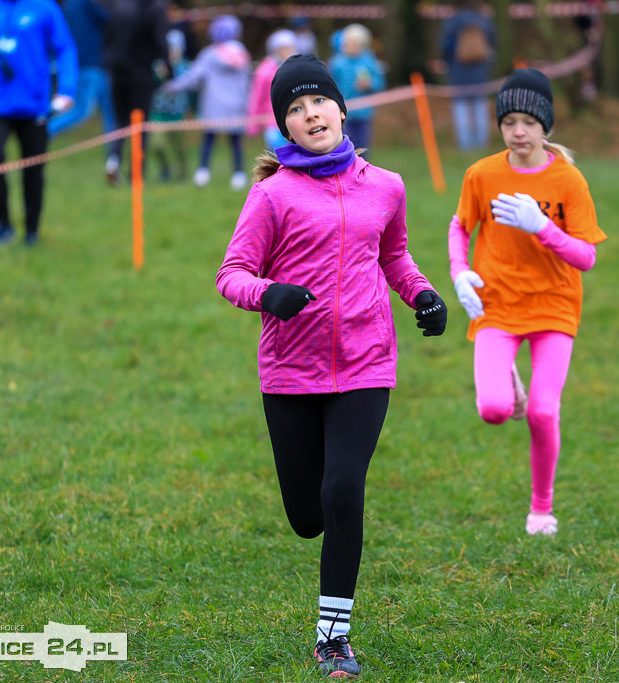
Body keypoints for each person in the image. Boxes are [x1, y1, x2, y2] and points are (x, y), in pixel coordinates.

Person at [215, 54, 447, 678]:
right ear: (284, 127)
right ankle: (316, 524)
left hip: (368, 363)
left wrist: (422, 294)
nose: (310, 112)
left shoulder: (387, 186)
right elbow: (231, 274)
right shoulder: (270, 196)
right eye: (294, 107)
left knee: (344, 489)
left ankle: (333, 638)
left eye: (318, 101)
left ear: (342, 109)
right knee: (307, 515)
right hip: (291, 370)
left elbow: (394, 256)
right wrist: (269, 293)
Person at [447, 68, 607, 536]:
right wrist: (460, 273)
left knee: (542, 411)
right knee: (494, 410)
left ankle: (542, 508)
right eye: (509, 121)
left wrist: (542, 227)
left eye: (529, 123)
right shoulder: (482, 173)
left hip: (554, 306)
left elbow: (586, 257)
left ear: (546, 126)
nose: (518, 132)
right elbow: (460, 226)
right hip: (495, 303)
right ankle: (509, 379)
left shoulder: (568, 181)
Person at [0, 0, 78, 247]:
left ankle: (31, 231)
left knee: (33, 168)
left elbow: (65, 48)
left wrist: (66, 90)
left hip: (33, 104)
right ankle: (3, 226)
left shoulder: (45, 8)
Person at [164, 14, 251, 191]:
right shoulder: (243, 54)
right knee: (235, 141)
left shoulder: (210, 54)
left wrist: (172, 86)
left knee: (209, 139)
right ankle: (239, 175)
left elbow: (193, 76)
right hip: (236, 105)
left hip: (214, 105)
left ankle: (203, 173)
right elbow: (246, 83)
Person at [103, 0, 170, 185]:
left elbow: (108, 36)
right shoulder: (155, 8)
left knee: (119, 120)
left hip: (117, 71)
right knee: (140, 124)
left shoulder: (119, 6)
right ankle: (136, 172)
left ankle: (113, 160)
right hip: (141, 73)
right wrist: (168, 69)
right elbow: (160, 41)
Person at [48, 0, 116, 164]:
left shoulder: (68, 6)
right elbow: (112, 21)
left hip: (93, 65)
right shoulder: (83, 4)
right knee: (81, 111)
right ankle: (44, 132)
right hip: (90, 64)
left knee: (111, 114)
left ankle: (113, 159)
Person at [440, 0, 497, 152]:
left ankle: (465, 146)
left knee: (461, 108)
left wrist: (448, 62)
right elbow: (492, 43)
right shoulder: (483, 20)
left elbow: (444, 46)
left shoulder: (452, 21)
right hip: (480, 71)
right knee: (480, 107)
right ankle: (481, 144)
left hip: (458, 71)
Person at [328, 24, 385, 156]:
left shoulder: (369, 61)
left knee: (363, 148)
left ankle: (362, 174)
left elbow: (380, 83)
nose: (349, 45)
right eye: (347, 42)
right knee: (346, 148)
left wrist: (370, 84)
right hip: (343, 114)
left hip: (364, 113)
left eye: (353, 43)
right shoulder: (337, 62)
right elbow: (330, 86)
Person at [148, 29, 191, 182]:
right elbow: (153, 83)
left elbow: (190, 88)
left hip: (178, 113)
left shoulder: (186, 67)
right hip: (159, 112)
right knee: (156, 144)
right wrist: (160, 74)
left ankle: (183, 172)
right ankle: (165, 168)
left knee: (179, 147)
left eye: (175, 48)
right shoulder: (158, 65)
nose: (172, 52)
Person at [247, 29, 297, 151]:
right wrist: (253, 124)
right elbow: (257, 97)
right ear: (276, 50)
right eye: (286, 48)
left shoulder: (295, 67)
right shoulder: (264, 71)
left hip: (295, 119)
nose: (290, 51)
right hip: (273, 122)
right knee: (278, 158)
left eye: (291, 47)